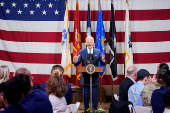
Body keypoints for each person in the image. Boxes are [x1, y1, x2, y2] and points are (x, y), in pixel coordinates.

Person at [74, 36, 107, 110]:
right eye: (88, 42)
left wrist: (103, 60)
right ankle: (86, 110)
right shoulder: (82, 51)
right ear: (85, 43)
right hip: (85, 78)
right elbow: (77, 63)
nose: (89, 44)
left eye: (90, 42)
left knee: (94, 95)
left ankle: (94, 110)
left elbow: (103, 63)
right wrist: (76, 61)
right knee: (85, 95)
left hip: (94, 78)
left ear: (93, 43)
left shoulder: (98, 51)